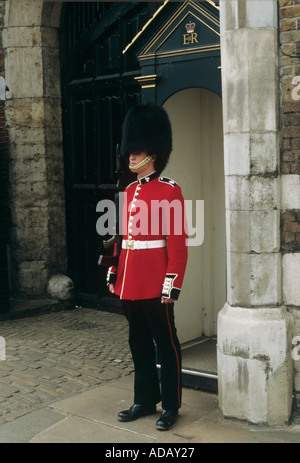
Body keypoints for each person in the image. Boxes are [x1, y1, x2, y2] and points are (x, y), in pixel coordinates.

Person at [106, 102, 188, 431]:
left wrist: (171, 283)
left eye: (135, 152)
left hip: (155, 283)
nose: (130, 157)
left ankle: (170, 405)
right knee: (137, 343)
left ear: (152, 154)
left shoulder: (170, 191)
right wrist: (114, 270)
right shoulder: (128, 191)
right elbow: (122, 237)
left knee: (165, 344)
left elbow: (178, 243)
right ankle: (144, 400)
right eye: (129, 151)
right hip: (129, 281)